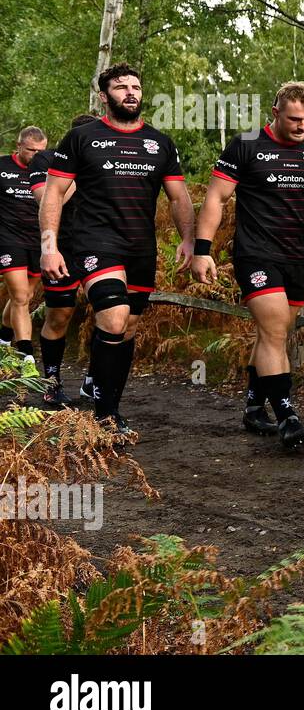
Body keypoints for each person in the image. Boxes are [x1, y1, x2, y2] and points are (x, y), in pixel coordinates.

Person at [192, 82, 304, 449]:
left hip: (296, 256)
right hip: (255, 254)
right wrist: (202, 249)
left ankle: (253, 407)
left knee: (276, 333)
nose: (302, 126)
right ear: (275, 112)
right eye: (294, 119)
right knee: (274, 331)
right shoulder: (245, 145)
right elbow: (217, 198)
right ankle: (287, 415)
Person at [39, 63, 196, 435]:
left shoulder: (160, 143)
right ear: (104, 95)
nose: (130, 92)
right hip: (95, 241)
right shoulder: (82, 138)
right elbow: (54, 193)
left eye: (136, 87)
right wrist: (49, 246)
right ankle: (106, 416)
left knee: (126, 328)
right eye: (121, 86)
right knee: (112, 316)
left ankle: (106, 399)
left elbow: (178, 197)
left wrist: (190, 239)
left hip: (140, 247)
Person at [29, 113, 98, 405]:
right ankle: (53, 381)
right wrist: (75, 171)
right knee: (60, 315)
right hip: (62, 249)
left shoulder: (102, 162)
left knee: (111, 315)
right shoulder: (45, 161)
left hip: (99, 247)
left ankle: (93, 381)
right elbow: (46, 198)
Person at [0, 126, 49, 378]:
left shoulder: (48, 169)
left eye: (41, 150)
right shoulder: (2, 167)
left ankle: (3, 339)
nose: (36, 155)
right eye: (31, 150)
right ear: (18, 146)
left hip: (40, 242)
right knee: (19, 296)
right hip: (8, 240)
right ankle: (26, 356)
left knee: (26, 296)